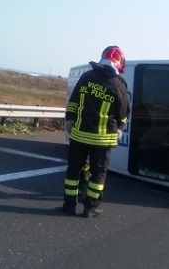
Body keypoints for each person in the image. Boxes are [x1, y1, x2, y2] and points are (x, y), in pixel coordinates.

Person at [62, 46, 131, 218]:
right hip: (102, 140)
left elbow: (73, 101)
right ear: (119, 64)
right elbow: (124, 112)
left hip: (79, 135)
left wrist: (70, 120)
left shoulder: (86, 77)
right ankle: (90, 208)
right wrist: (120, 129)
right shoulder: (118, 85)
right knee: (98, 173)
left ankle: (69, 205)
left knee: (73, 170)